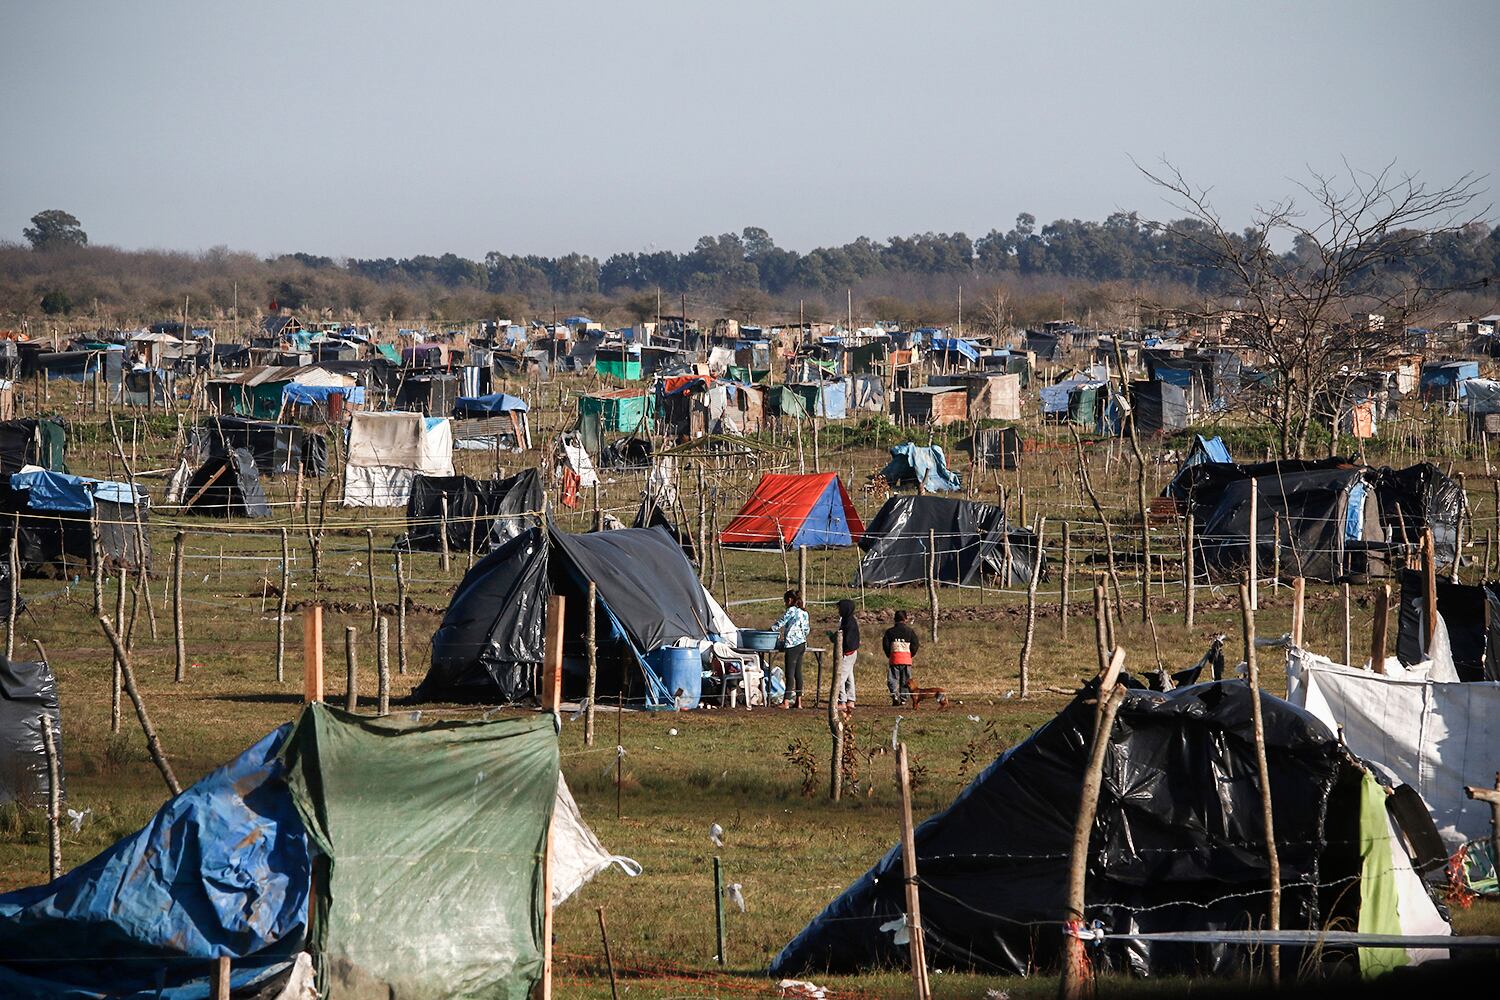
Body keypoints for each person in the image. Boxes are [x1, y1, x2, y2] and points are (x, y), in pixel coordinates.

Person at [772, 589, 809, 708]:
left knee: (790, 673)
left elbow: (781, 622)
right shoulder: (804, 613)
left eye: (785, 602)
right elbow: (807, 630)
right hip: (802, 644)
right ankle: (799, 701)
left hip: (792, 645)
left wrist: (769, 630)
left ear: (789, 600)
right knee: (798, 673)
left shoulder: (791, 611)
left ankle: (786, 701)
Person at [882, 610, 921, 706]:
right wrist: (911, 654)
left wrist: (889, 654)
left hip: (894, 658)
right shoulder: (910, 631)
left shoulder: (889, 632)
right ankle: (903, 699)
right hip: (906, 659)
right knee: (906, 680)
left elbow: (885, 645)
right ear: (905, 619)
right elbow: (915, 644)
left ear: (895, 619)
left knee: (892, 679)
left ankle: (895, 695)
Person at [833, 598, 859, 714]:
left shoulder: (848, 622)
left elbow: (846, 640)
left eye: (840, 608)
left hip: (848, 653)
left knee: (840, 677)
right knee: (849, 677)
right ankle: (851, 700)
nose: (838, 610)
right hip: (852, 652)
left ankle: (842, 702)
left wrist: (835, 638)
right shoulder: (848, 620)